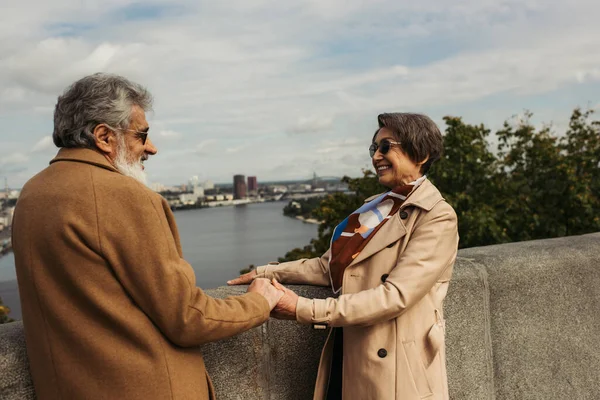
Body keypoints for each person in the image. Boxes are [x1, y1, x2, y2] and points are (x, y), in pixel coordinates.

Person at [12, 73, 283, 400]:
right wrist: (260, 302)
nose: (151, 148)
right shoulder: (126, 197)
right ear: (104, 137)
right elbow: (187, 317)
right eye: (142, 135)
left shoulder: (32, 194)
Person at [229, 113, 459, 400]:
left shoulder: (436, 215)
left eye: (386, 146)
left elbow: (395, 296)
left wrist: (302, 308)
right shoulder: (373, 208)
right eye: (373, 148)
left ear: (421, 153)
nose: (376, 156)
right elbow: (330, 267)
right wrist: (267, 272)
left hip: (396, 367)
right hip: (349, 350)